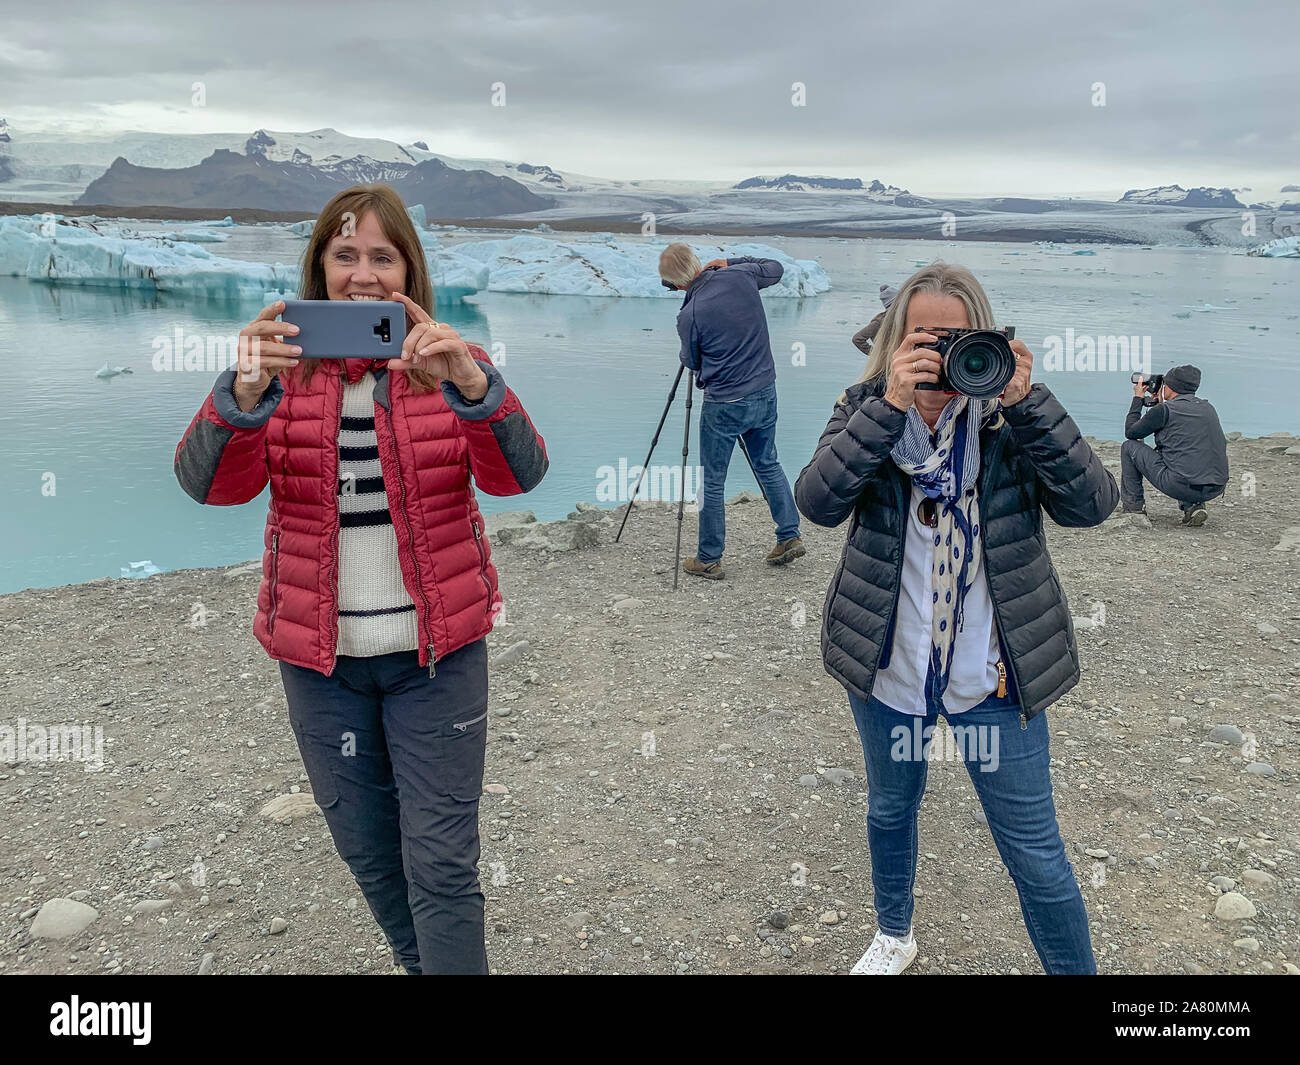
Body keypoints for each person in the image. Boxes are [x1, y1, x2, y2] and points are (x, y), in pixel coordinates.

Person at [174, 184, 548, 975]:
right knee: (369, 854)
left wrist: (475, 391)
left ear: (409, 268)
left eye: (383, 256)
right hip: (323, 666)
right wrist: (239, 396)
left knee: (442, 865)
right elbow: (209, 487)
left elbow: (521, 476)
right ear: (319, 269)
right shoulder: (278, 377)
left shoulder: (455, 364)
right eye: (345, 255)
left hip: (435, 660)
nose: (365, 276)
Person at [794, 262, 1118, 976]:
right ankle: (894, 933)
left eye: (955, 338)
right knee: (888, 809)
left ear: (987, 341)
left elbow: (1095, 505)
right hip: (890, 668)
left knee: (1036, 854)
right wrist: (887, 407)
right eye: (922, 338)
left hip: (996, 677)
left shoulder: (1010, 421)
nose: (940, 356)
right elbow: (815, 505)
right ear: (891, 342)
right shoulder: (863, 406)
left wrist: (1031, 404)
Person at [659, 242, 803, 580]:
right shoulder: (740, 275)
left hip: (723, 403)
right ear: (697, 262)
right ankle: (789, 535)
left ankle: (709, 558)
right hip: (765, 391)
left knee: (712, 479)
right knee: (767, 462)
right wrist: (731, 261)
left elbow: (692, 362)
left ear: (676, 284)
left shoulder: (689, 314)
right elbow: (775, 268)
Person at [1120, 364, 1228, 526]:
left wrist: (1137, 399)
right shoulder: (1208, 408)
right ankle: (1193, 506)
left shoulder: (1165, 410)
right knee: (1187, 454)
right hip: (1216, 486)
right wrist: (1160, 403)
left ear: (1168, 387)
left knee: (1129, 447)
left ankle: (1134, 508)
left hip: (1180, 485)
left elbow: (1131, 433)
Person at [851, 283, 899, 355]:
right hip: (886, 363)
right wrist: (876, 354)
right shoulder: (880, 321)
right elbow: (857, 339)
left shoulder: (900, 318)